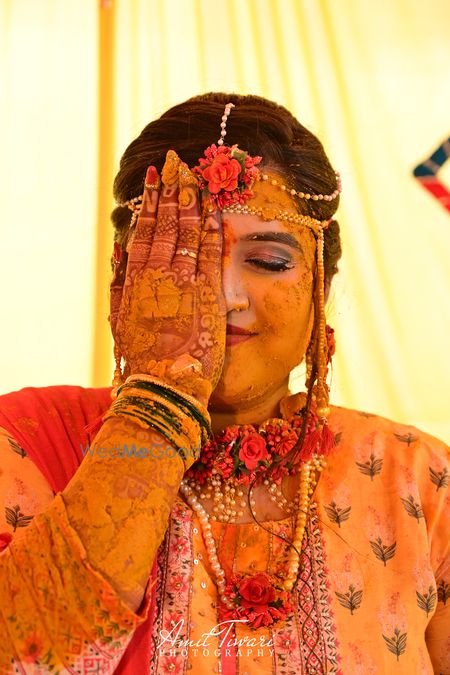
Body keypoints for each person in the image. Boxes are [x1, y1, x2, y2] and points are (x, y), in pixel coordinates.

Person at [0, 93, 448, 675]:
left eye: (268, 262)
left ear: (322, 285)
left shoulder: (418, 479)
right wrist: (160, 398)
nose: (224, 297)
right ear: (123, 276)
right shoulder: (26, 444)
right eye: (182, 262)